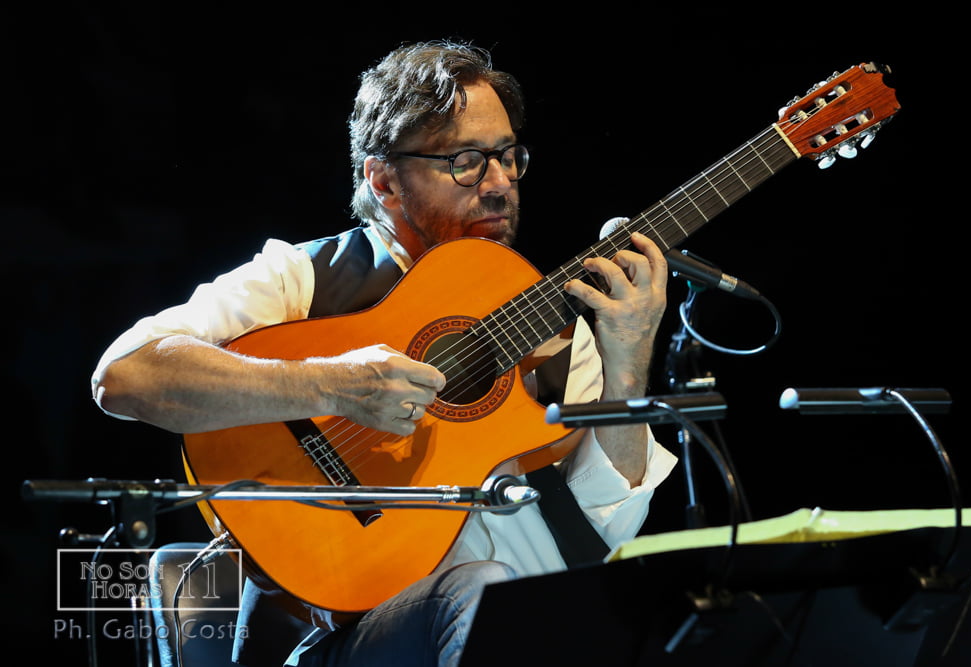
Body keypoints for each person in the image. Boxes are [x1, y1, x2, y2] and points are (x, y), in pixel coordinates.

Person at [91, 40, 678, 667]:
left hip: (535, 633)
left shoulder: (555, 330)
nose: (500, 184)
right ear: (384, 180)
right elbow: (126, 376)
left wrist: (629, 357)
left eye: (508, 157)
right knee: (480, 594)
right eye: (466, 161)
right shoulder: (304, 281)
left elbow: (604, 530)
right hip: (346, 640)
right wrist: (333, 386)